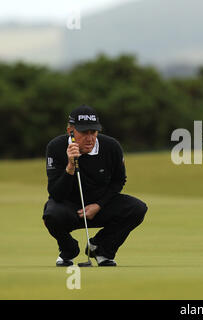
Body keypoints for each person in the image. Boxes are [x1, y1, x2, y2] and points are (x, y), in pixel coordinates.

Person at [42, 105, 148, 267]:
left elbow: (118, 181)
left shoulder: (111, 147)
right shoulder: (56, 147)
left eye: (94, 132)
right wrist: (70, 166)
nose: (90, 138)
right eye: (84, 132)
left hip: (100, 205)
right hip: (68, 207)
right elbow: (56, 193)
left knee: (137, 208)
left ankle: (101, 248)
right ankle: (68, 250)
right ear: (71, 130)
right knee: (51, 215)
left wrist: (99, 205)